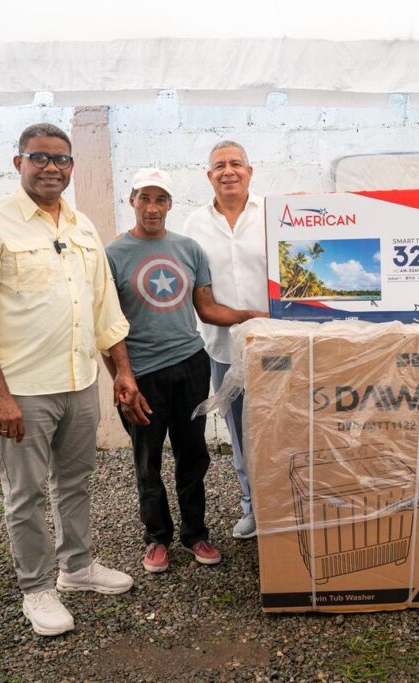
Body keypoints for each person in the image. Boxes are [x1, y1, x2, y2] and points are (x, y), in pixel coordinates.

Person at [0, 123, 140, 637]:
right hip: (23, 391)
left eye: (61, 159)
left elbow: (105, 309)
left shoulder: (82, 227)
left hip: (79, 384)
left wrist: (122, 371)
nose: (51, 168)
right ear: (19, 163)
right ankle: (36, 587)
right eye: (39, 158)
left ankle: (76, 567)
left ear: (72, 167)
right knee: (26, 493)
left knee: (75, 481)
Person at [104, 168, 265, 573]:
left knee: (193, 455)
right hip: (142, 374)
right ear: (132, 201)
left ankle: (196, 534)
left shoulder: (189, 249)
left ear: (170, 204)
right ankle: (157, 538)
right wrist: (120, 376)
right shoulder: (112, 255)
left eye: (160, 199)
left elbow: (207, 309)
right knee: (147, 460)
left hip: (191, 364)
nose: (152, 207)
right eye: (144, 198)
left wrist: (255, 317)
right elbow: (105, 323)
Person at [181, 141, 269, 539]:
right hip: (223, 348)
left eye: (236, 164)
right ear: (209, 176)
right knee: (240, 432)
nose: (228, 171)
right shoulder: (194, 224)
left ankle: (285, 506)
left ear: (250, 171)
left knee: (282, 426)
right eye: (220, 165)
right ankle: (253, 508)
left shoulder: (272, 214)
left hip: (274, 345)